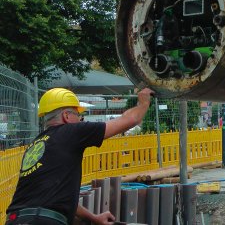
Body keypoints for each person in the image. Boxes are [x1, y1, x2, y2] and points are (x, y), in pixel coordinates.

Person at [6, 87, 154, 225]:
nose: (80, 120)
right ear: (66, 116)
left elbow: (58, 197)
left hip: (15, 219)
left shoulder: (37, 145)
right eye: (78, 115)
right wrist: (143, 102)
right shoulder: (72, 132)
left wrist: (94, 218)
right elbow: (130, 120)